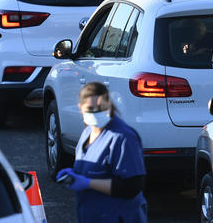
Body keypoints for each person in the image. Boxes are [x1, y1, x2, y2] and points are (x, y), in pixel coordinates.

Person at [56, 82, 147, 223]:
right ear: (80, 109)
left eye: (101, 108)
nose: (96, 113)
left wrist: (87, 183)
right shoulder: (88, 132)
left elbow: (132, 187)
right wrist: (73, 175)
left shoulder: (122, 137)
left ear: (109, 105)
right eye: (91, 109)